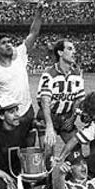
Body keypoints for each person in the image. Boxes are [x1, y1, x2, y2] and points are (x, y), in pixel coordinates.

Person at [0, 0, 44, 137]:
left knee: (29, 143)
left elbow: (34, 32)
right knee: (9, 147)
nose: (9, 44)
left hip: (27, 109)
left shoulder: (19, 54)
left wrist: (39, 12)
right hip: (8, 113)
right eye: (3, 43)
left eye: (9, 41)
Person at [36, 39, 85, 167]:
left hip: (66, 117)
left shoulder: (77, 74)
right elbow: (45, 101)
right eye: (70, 49)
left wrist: (73, 117)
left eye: (73, 49)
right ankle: (48, 184)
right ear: (60, 52)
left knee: (76, 149)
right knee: (47, 153)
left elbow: (79, 99)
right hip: (47, 117)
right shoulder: (49, 74)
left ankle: (68, 177)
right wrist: (49, 126)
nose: (74, 52)